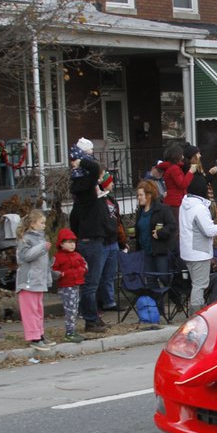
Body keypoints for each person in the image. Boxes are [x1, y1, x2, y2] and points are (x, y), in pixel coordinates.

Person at [68, 142, 115, 334]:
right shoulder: (85, 187)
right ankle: (90, 320)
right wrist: (82, 161)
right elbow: (95, 168)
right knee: (91, 284)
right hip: (92, 240)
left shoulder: (85, 188)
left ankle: (94, 317)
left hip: (95, 238)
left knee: (93, 283)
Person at [179, 174, 217, 314]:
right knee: (199, 285)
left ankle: (197, 312)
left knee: (196, 284)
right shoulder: (199, 208)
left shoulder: (184, 204)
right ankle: (196, 315)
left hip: (187, 251)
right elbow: (208, 230)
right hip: (199, 253)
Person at [15, 209, 55, 350]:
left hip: (38, 281)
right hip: (28, 282)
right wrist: (42, 248)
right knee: (30, 311)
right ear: (32, 224)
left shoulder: (40, 238)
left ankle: (40, 334)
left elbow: (42, 262)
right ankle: (34, 337)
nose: (44, 225)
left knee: (38, 310)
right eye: (42, 222)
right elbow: (25, 256)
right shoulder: (25, 239)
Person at [133, 180, 177, 292]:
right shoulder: (140, 211)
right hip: (145, 252)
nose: (139, 197)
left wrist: (160, 233)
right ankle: (158, 308)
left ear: (149, 195)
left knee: (164, 277)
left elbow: (172, 225)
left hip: (160, 251)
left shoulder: (162, 209)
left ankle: (177, 297)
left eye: (141, 195)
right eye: (138, 195)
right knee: (151, 280)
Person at [51, 228, 88, 344]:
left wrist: (81, 270)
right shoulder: (58, 257)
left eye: (73, 242)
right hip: (66, 286)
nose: (72, 245)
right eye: (69, 242)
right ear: (61, 244)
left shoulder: (77, 255)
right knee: (70, 310)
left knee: (75, 309)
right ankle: (69, 332)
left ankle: (72, 330)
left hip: (76, 285)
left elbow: (85, 265)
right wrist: (61, 274)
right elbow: (53, 271)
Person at [97, 172, 125, 312]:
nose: (113, 184)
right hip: (102, 241)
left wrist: (121, 239)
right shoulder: (98, 200)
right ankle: (98, 302)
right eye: (110, 182)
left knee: (110, 274)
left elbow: (118, 220)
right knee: (98, 273)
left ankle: (109, 301)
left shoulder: (112, 200)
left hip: (113, 241)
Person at [162, 144, 192, 221]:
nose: (183, 156)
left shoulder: (172, 167)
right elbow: (182, 185)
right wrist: (191, 172)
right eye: (181, 154)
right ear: (177, 155)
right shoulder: (174, 169)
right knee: (176, 228)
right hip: (175, 202)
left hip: (173, 201)